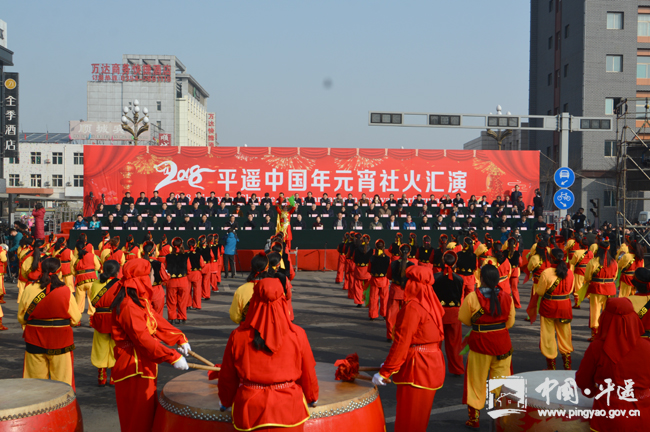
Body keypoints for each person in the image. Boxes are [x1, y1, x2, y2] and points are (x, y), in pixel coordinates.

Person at [218, 275, 319, 431]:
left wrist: (225, 401)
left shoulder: (238, 336)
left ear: (254, 301)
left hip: (250, 410)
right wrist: (312, 398)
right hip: (289, 409)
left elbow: (227, 376)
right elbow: (308, 372)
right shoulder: (298, 334)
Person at [110, 258, 190, 432]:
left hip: (143, 365)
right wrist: (172, 356)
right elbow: (142, 339)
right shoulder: (129, 306)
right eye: (151, 275)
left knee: (147, 420)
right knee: (137, 423)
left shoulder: (139, 301)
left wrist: (179, 337)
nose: (154, 278)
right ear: (141, 279)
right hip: (133, 368)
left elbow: (157, 321)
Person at [374, 265, 446, 431]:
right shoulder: (432, 305)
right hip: (433, 364)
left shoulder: (413, 307)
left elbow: (401, 343)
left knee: (408, 422)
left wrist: (385, 371)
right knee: (419, 421)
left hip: (417, 368)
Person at [575, 298, 650, 432]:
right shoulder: (647, 346)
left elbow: (583, 381)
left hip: (608, 417)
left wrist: (593, 392)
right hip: (644, 416)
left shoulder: (597, 348)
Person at [459, 264, 515, 428]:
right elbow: (510, 322)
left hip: (480, 344)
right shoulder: (506, 296)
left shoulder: (472, 297)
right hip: (502, 344)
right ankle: (504, 416)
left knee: (476, 381)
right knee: (503, 381)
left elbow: (464, 318)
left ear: (481, 278)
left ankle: (474, 418)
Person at [18, 257, 81, 388]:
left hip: (34, 338)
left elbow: (22, 317)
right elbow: (75, 319)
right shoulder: (65, 290)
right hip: (60, 340)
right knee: (63, 383)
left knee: (34, 384)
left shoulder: (29, 288)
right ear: (59, 271)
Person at [534, 248, 574, 370]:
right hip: (565, 307)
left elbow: (540, 292)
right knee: (565, 335)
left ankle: (551, 366)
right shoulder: (570, 272)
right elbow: (571, 290)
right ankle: (567, 365)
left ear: (551, 258)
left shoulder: (546, 273)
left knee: (548, 336)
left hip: (549, 307)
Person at [433, 250, 465, 375]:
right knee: (455, 345)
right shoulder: (460, 279)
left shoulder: (435, 277)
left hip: (438, 313)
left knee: (435, 344)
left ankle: (435, 369)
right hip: (454, 314)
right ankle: (457, 369)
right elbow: (460, 297)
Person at [89, 260, 121, 386]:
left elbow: (92, 301)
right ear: (117, 270)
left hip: (100, 317)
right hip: (115, 317)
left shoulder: (96, 283)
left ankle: (101, 375)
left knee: (100, 347)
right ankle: (114, 375)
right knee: (115, 346)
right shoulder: (120, 284)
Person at [580, 239, 618, 340]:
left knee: (595, 311)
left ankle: (595, 334)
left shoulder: (593, 261)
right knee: (608, 312)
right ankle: (607, 333)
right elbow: (615, 277)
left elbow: (587, 277)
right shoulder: (614, 262)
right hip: (610, 289)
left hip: (596, 288)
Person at [385, 244, 415, 341]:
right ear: (409, 253)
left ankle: (391, 335)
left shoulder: (393, 263)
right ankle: (405, 334)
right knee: (407, 315)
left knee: (391, 315)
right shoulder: (412, 265)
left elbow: (389, 276)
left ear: (400, 252)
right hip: (407, 292)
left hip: (395, 291)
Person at [165, 237, 190, 324]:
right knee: (182, 301)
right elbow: (189, 269)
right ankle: (182, 317)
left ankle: (172, 317)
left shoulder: (168, 257)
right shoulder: (186, 256)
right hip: (183, 281)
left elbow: (165, 269)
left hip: (171, 281)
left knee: (171, 301)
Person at [368, 239, 390, 320]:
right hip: (384, 280)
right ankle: (384, 314)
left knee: (373, 298)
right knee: (384, 298)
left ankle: (372, 315)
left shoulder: (372, 258)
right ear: (383, 247)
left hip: (375, 279)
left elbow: (369, 269)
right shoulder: (387, 258)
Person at [186, 238, 205, 311]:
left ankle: (188, 304)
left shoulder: (186, 254)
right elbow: (202, 265)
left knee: (188, 290)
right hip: (197, 273)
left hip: (188, 274)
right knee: (197, 290)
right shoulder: (198, 255)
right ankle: (197, 305)